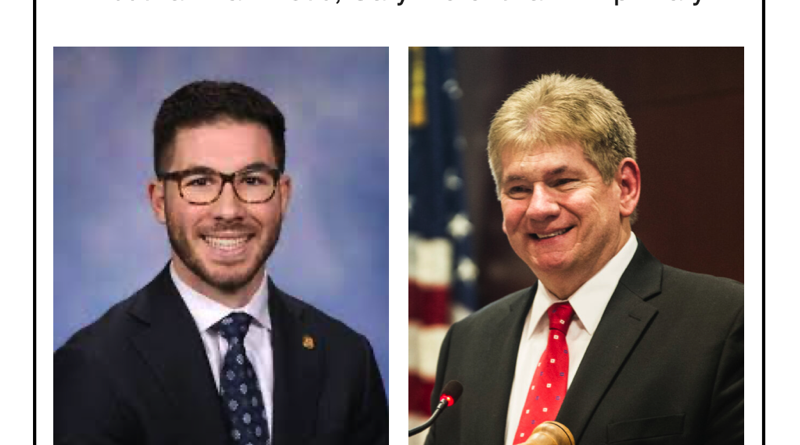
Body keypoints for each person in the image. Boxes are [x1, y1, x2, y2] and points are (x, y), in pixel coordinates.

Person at [54, 80, 389, 445]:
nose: (229, 210)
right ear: (159, 202)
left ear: (283, 196)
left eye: (252, 180)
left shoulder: (346, 358)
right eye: (199, 181)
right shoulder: (92, 368)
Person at [424, 74, 743, 445]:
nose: (539, 208)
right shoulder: (468, 341)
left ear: (625, 187)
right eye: (518, 189)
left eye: (562, 182)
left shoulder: (725, 322)